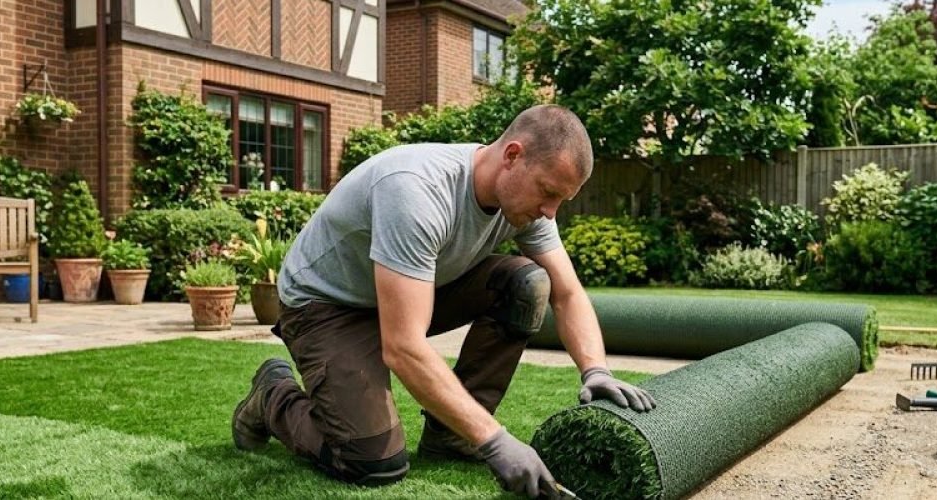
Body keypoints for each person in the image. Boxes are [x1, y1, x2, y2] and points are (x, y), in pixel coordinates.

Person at [231, 104, 656, 498]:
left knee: (527, 284)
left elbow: (567, 292)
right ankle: (273, 395)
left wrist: (595, 370)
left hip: (407, 292)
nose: (550, 212)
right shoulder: (417, 190)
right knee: (373, 463)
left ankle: (451, 435)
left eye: (561, 199)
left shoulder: (527, 206)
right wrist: (495, 440)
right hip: (325, 306)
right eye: (547, 192)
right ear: (512, 155)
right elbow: (403, 347)